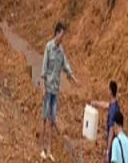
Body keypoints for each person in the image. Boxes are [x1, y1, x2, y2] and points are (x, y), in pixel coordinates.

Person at [40, 22, 76, 161]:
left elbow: (66, 65)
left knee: (52, 120)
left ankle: (49, 150)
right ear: (56, 34)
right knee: (44, 118)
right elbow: (43, 68)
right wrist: (43, 87)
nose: (62, 38)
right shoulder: (48, 47)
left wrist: (73, 77)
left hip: (55, 90)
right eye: (61, 35)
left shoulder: (61, 51)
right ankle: (41, 148)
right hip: (48, 89)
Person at [89, 80, 120, 162]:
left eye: (108, 89)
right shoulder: (115, 105)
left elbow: (111, 131)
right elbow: (105, 105)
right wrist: (95, 103)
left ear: (110, 91)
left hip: (112, 144)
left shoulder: (113, 110)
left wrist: (107, 151)